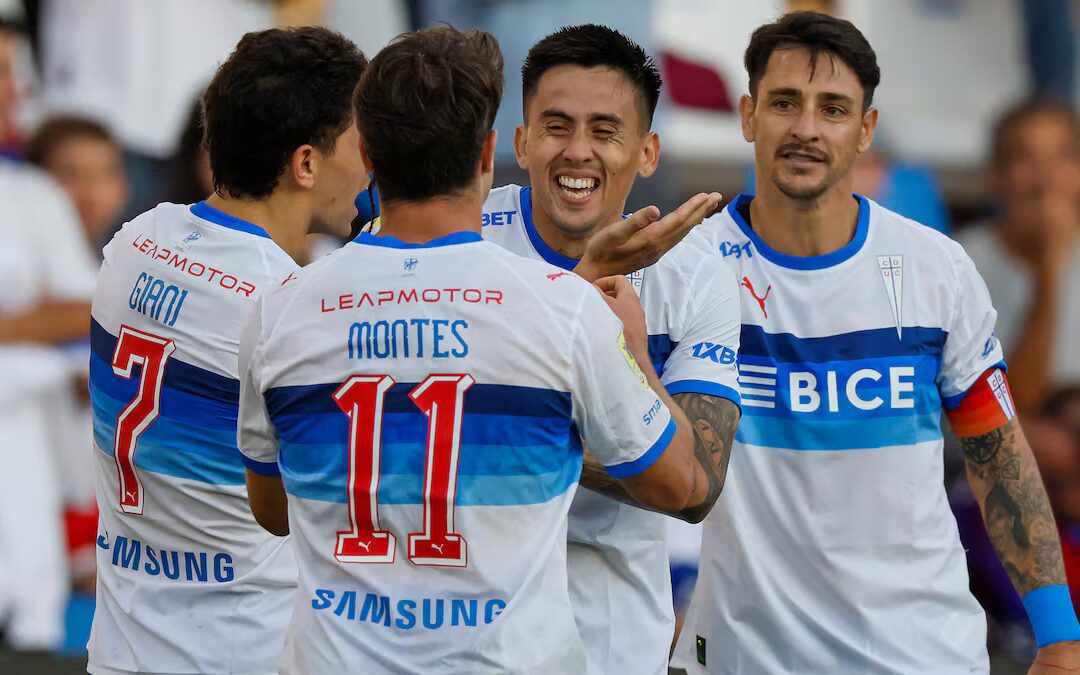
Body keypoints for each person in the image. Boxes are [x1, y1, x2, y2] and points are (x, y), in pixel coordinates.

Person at [238, 26, 714, 674]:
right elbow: (682, 483)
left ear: (368, 155)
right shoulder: (565, 309)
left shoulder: (278, 308)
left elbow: (273, 511)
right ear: (490, 154)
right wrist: (632, 349)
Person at [672, 11, 1080, 674]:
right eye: (784, 103)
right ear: (748, 116)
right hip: (745, 659)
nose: (806, 128)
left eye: (833, 109)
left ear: (866, 130)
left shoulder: (936, 268)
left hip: (921, 657)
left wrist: (1059, 636)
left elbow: (999, 455)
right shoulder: (683, 269)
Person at [86, 27, 368, 674]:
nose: (370, 164)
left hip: (120, 652)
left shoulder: (133, 242)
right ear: (305, 164)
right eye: (360, 143)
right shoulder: (291, 309)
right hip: (241, 653)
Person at [479, 24, 739, 674]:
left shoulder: (696, 276)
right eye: (556, 126)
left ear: (647, 152)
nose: (578, 152)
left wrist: (634, 358)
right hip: (464, 639)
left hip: (611, 648)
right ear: (522, 141)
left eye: (604, 130)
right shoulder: (466, 235)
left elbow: (695, 488)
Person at [0, 12, 99, 652]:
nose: (15, 90)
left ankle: (28, 614)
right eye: (1, 73)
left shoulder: (33, 193)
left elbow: (86, 308)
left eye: (14, 73)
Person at [955, 99, 1080, 415]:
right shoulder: (959, 264)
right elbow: (1011, 407)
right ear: (994, 177)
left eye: (1062, 157)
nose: (1045, 181)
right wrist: (1050, 267)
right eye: (1025, 159)